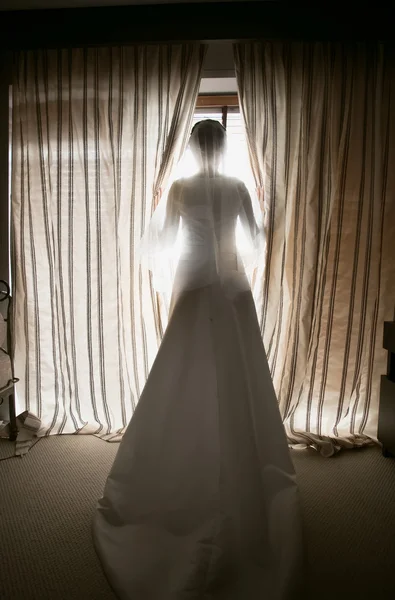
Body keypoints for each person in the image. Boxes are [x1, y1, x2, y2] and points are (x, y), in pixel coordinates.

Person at [93, 120, 305, 599]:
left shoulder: (180, 190)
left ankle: (183, 444)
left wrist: (188, 252)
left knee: (181, 373)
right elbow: (254, 241)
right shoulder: (237, 187)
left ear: (192, 149)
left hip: (193, 286)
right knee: (238, 376)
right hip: (231, 290)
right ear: (222, 148)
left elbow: (160, 245)